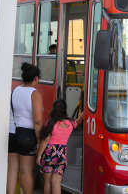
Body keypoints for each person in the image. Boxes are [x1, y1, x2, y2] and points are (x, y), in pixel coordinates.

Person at [7, 62, 44, 194]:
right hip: (27, 135)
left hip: (12, 133)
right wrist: (40, 142)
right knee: (26, 171)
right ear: (36, 78)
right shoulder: (35, 94)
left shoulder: (15, 90)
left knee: (12, 169)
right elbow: (38, 121)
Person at [36, 99, 84, 194]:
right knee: (56, 182)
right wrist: (81, 115)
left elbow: (45, 140)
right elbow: (78, 121)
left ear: (53, 109)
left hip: (49, 153)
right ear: (65, 110)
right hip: (62, 154)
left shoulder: (50, 123)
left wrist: (39, 155)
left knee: (48, 182)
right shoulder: (70, 123)